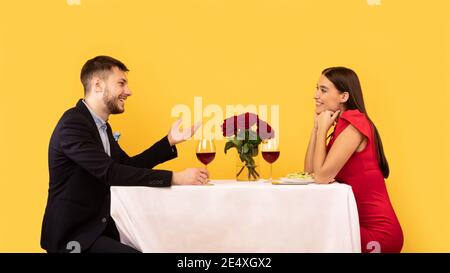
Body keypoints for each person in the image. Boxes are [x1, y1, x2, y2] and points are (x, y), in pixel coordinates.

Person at [41, 55, 209, 253]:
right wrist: (174, 178)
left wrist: (169, 141)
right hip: (73, 239)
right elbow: (111, 173)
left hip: (96, 231)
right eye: (121, 83)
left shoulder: (101, 128)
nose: (128, 91)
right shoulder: (73, 125)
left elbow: (127, 166)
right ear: (97, 85)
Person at [304, 67, 403, 253]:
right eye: (317, 88)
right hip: (355, 227)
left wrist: (324, 129)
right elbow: (310, 172)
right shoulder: (341, 126)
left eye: (323, 90)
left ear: (343, 97)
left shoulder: (354, 124)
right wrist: (316, 128)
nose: (316, 95)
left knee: (312, 232)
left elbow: (321, 177)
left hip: (379, 235)